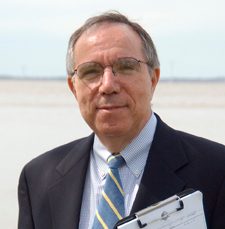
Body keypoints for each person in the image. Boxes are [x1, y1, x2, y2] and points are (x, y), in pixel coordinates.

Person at [18, 11, 225, 229]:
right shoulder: (38, 179)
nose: (108, 85)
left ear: (153, 79)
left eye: (126, 67)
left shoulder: (217, 171)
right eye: (91, 71)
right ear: (73, 88)